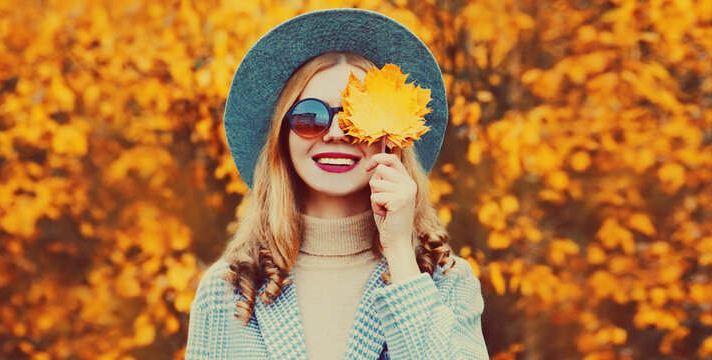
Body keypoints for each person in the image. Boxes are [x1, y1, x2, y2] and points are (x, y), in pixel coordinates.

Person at [186, 8, 489, 360]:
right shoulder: (228, 291)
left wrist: (401, 255)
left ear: (390, 136)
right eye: (309, 116)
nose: (333, 133)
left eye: (354, 117)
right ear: (282, 137)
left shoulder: (445, 281)